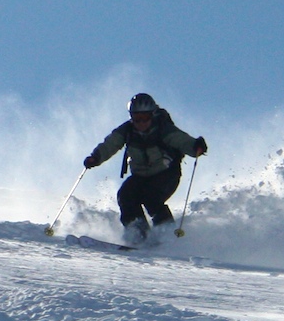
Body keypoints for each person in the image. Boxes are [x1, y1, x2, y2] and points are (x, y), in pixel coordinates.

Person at [83, 93, 207, 244]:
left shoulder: (163, 129)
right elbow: (111, 144)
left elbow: (180, 140)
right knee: (126, 196)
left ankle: (166, 236)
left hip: (166, 174)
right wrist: (96, 157)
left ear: (152, 115)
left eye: (145, 118)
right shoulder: (127, 131)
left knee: (151, 198)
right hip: (141, 176)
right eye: (137, 118)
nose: (141, 122)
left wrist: (195, 146)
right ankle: (138, 235)